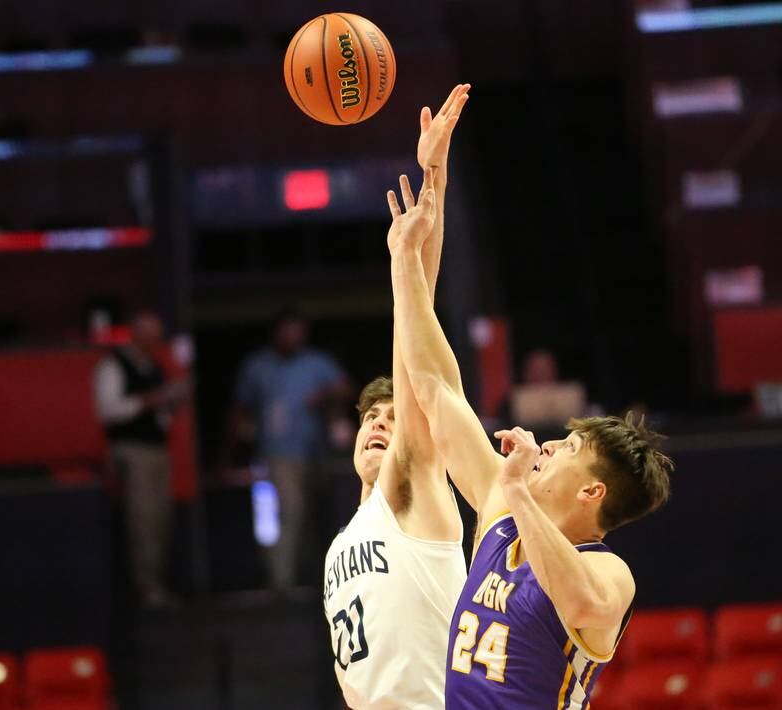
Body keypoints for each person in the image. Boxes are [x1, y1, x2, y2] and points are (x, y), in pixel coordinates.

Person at [387, 165, 674, 707]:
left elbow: (585, 606)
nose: (547, 446)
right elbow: (435, 387)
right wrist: (405, 259)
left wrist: (518, 494)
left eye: (568, 449)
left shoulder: (609, 572)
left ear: (593, 492)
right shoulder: (502, 520)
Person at [323, 84, 471, 709]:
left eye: (394, 416)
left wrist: (431, 175)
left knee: (413, 336)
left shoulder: (410, 490)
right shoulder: (341, 545)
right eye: (369, 418)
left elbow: (415, 327)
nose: (381, 424)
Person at [230, 308, 352, 589]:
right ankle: (281, 581)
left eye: (298, 331)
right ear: (277, 333)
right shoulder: (259, 366)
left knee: (313, 515)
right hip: (276, 453)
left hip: (315, 452)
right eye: (288, 331)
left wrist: (324, 395)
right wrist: (234, 451)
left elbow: (346, 388)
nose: (293, 337)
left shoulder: (316, 363)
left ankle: (312, 578)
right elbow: (240, 409)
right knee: (288, 511)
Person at [93, 310, 189, 609]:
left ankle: (155, 584)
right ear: (136, 334)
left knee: (160, 519)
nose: (156, 341)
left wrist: (170, 402)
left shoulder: (155, 367)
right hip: (131, 452)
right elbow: (108, 410)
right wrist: (150, 400)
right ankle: (146, 589)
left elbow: (161, 416)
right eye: (151, 334)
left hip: (157, 450)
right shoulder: (113, 365)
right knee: (143, 519)